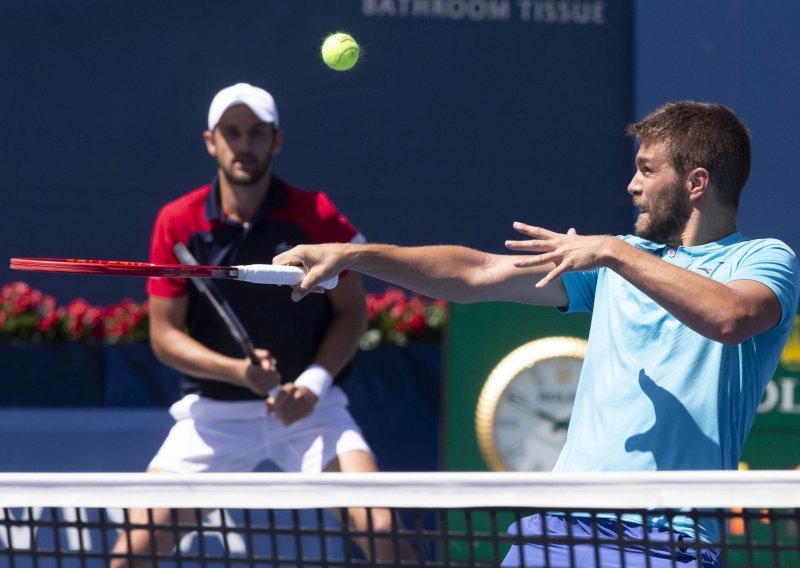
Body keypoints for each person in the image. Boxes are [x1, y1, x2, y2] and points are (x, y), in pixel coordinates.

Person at [273, 101, 800, 567]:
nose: (631, 185)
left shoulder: (761, 259)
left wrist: (616, 252)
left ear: (696, 183)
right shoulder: (613, 262)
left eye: (646, 170)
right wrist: (352, 256)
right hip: (560, 527)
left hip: (669, 542)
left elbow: (731, 318)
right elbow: (476, 272)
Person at [111, 83, 414, 566]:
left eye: (256, 133)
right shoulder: (177, 222)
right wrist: (238, 372)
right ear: (211, 141)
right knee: (133, 551)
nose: (244, 145)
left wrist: (313, 385)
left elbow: (352, 312)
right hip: (215, 417)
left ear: (277, 140)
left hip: (311, 413)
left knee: (383, 532)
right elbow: (164, 337)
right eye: (233, 133)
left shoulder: (317, 215)